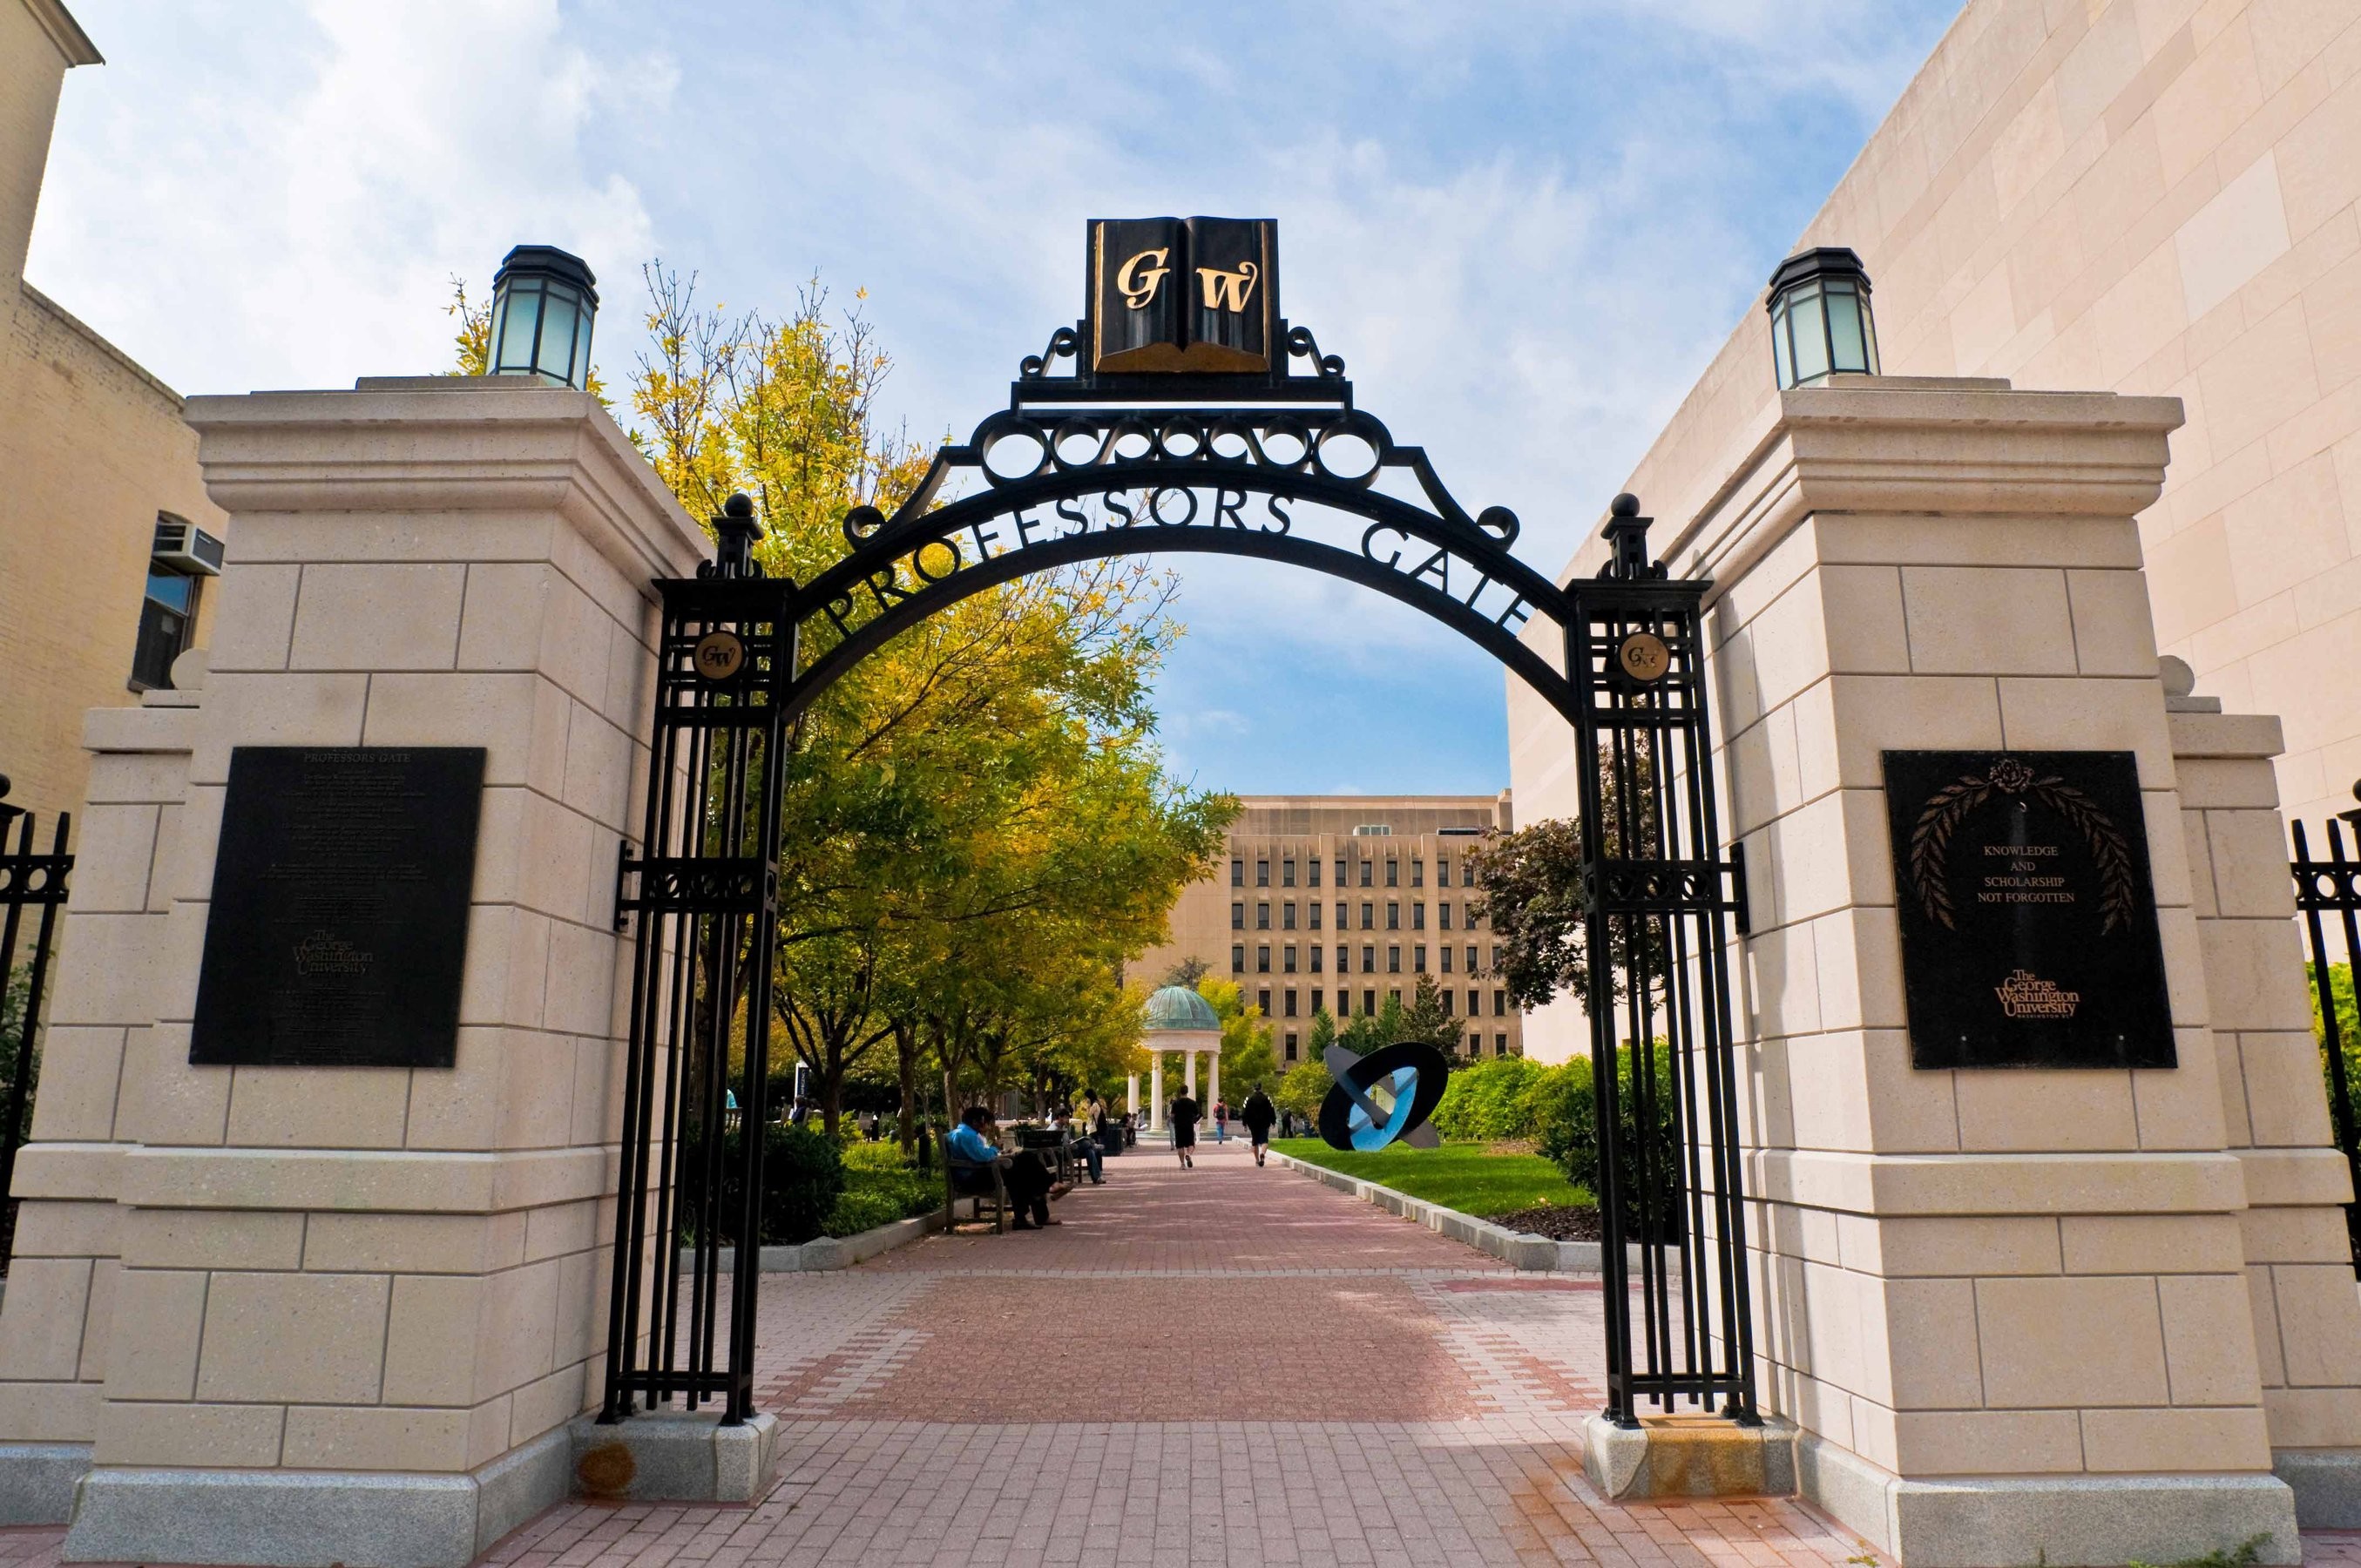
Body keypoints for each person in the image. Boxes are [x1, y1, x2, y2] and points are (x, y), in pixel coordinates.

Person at [948, 1106, 1056, 1229]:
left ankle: (1027, 1214)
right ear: (975, 1122)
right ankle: (1047, 1188)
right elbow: (983, 1156)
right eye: (985, 1122)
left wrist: (996, 1152)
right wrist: (995, 1148)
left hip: (976, 1174)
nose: (987, 1126)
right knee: (1024, 1164)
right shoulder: (967, 1135)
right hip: (972, 1179)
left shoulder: (964, 1133)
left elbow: (980, 1154)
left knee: (1024, 1164)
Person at [1241, 1085, 1276, 1167]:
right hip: (1264, 1122)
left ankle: (1257, 1160)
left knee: (1255, 1141)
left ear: (1253, 1088)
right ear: (1261, 1088)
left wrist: (1244, 1123)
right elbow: (1272, 1109)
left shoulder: (1248, 1098)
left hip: (1253, 1123)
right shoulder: (1267, 1098)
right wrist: (1273, 1121)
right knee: (1265, 1140)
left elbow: (1244, 1111)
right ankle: (1263, 1154)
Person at [1169, 1090, 1201, 1169]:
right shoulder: (1192, 1103)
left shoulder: (1175, 1103)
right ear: (1187, 1092)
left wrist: (1174, 1121)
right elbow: (1197, 1114)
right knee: (1191, 1144)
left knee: (1180, 1146)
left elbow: (1172, 1115)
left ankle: (1182, 1164)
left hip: (1178, 1126)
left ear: (1180, 1092)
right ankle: (1189, 1154)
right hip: (1189, 1125)